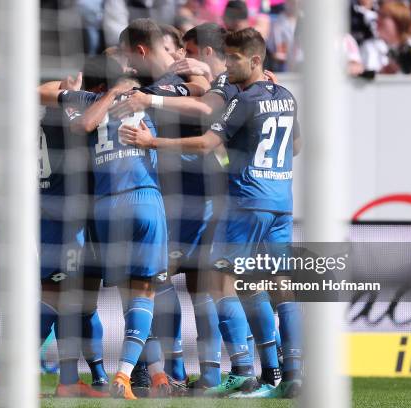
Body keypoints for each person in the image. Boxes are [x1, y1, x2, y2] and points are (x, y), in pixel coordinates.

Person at [120, 27, 303, 399]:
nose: (228, 63)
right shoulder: (284, 94)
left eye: (233, 57)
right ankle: (287, 373)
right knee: (278, 286)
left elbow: (207, 137)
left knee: (218, 284)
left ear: (250, 59)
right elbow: (296, 145)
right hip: (281, 199)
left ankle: (242, 372)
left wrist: (151, 139)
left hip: (246, 200)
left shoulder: (240, 97)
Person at [46, 55, 171, 400]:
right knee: (144, 292)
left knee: (114, 294)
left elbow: (75, 120)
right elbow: (201, 101)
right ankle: (125, 374)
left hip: (103, 207)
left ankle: (155, 374)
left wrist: (81, 92)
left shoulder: (87, 101)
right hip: (144, 196)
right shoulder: (148, 96)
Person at [36, 74, 109, 397]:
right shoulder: (65, 117)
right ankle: (66, 380)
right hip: (66, 218)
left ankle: (89, 376)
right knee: (61, 299)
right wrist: (75, 92)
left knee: (64, 298)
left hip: (52, 215)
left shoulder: (35, 116)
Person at [360, 1, 411, 78]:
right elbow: (362, 81)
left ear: (399, 21)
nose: (378, 20)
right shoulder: (369, 46)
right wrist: (382, 73)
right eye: (378, 15)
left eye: (383, 16)